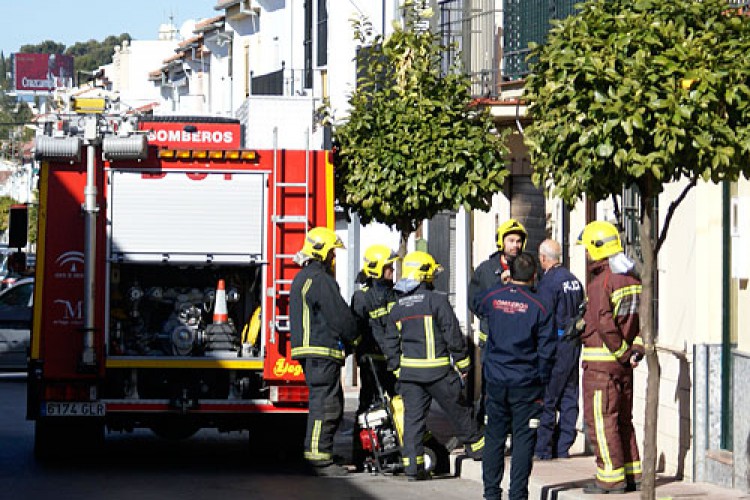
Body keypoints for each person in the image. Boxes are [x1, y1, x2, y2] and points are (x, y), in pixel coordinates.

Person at [383, 250, 484, 481]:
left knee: (413, 421)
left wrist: (397, 368)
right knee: (459, 411)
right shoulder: (436, 300)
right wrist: (464, 363)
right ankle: (478, 449)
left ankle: (413, 468)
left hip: (410, 376)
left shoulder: (397, 308)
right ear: (424, 274)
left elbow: (390, 343)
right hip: (438, 373)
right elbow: (452, 334)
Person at [473, 252, 556, 500]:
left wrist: (501, 284)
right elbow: (547, 349)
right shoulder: (540, 305)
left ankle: (491, 493)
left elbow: (476, 302)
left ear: (510, 273)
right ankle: (517, 494)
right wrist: (542, 379)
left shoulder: (494, 296)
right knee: (523, 440)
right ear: (534, 276)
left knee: (494, 438)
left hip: (497, 380)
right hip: (526, 383)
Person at [578, 221, 644, 494]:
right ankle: (632, 473)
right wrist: (634, 351)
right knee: (622, 420)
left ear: (596, 248)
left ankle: (610, 478)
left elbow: (605, 324)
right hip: (624, 367)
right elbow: (640, 319)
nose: (586, 254)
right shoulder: (632, 278)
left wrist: (621, 353)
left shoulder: (600, 282)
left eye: (587, 249)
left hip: (602, 367)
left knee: (602, 421)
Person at [290, 226, 359, 477]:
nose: (334, 258)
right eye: (333, 253)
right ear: (323, 252)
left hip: (312, 353)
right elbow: (339, 316)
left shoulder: (304, 277)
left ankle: (323, 452)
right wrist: (356, 336)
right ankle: (319, 459)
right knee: (325, 405)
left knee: (330, 403)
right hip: (321, 352)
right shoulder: (321, 280)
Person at [468, 218, 528, 428]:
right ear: (502, 242)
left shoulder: (527, 267)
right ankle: (488, 425)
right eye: (511, 240)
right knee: (491, 388)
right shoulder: (486, 270)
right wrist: (498, 287)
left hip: (520, 344)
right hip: (492, 344)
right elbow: (474, 303)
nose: (515, 245)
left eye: (518, 241)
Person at [534, 239, 585, 460]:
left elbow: (544, 319)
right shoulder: (574, 280)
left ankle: (543, 449)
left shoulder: (548, 284)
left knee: (549, 398)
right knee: (569, 396)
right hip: (573, 345)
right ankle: (563, 447)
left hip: (555, 347)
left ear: (544, 258)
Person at [350, 244, 400, 470]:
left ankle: (393, 448)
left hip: (393, 360)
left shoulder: (394, 292)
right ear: (377, 269)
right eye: (388, 267)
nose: (392, 270)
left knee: (396, 406)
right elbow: (360, 329)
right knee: (368, 407)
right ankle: (362, 453)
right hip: (373, 361)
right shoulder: (362, 298)